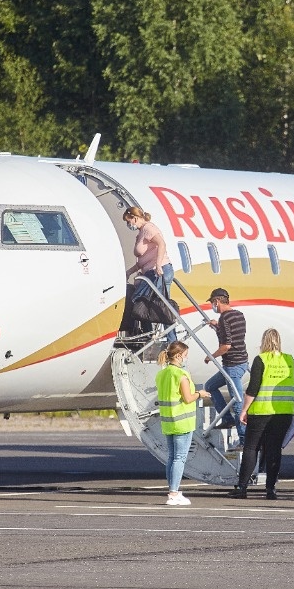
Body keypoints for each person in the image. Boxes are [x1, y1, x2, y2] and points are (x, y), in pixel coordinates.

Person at [230, 329, 294, 500]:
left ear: (264, 341)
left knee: (252, 448)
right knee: (274, 449)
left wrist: (244, 410)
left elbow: (253, 389)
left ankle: (242, 487)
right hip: (283, 413)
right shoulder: (288, 359)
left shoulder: (261, 359)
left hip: (261, 412)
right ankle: (271, 489)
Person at [155, 342, 210, 506]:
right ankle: (173, 493)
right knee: (179, 458)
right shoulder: (181, 375)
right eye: (186, 355)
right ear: (178, 356)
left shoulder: (163, 374)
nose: (187, 358)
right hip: (182, 422)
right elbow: (187, 398)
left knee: (172, 458)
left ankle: (172, 490)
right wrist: (200, 394)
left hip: (168, 421)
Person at [203, 288, 249, 448]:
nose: (212, 306)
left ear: (217, 301)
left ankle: (244, 440)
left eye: (212, 303)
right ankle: (227, 419)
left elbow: (227, 345)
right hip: (242, 362)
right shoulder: (239, 315)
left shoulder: (224, 318)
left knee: (237, 402)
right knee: (209, 386)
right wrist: (217, 327)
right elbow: (234, 337)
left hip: (232, 366)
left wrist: (211, 356)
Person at [124, 206, 176, 342]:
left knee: (141, 300)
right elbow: (143, 259)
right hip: (151, 271)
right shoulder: (141, 232)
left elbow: (161, 244)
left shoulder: (148, 228)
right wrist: (129, 271)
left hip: (159, 271)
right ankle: (160, 336)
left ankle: (151, 335)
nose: (128, 224)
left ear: (134, 218)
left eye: (128, 221)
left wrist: (158, 264)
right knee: (159, 305)